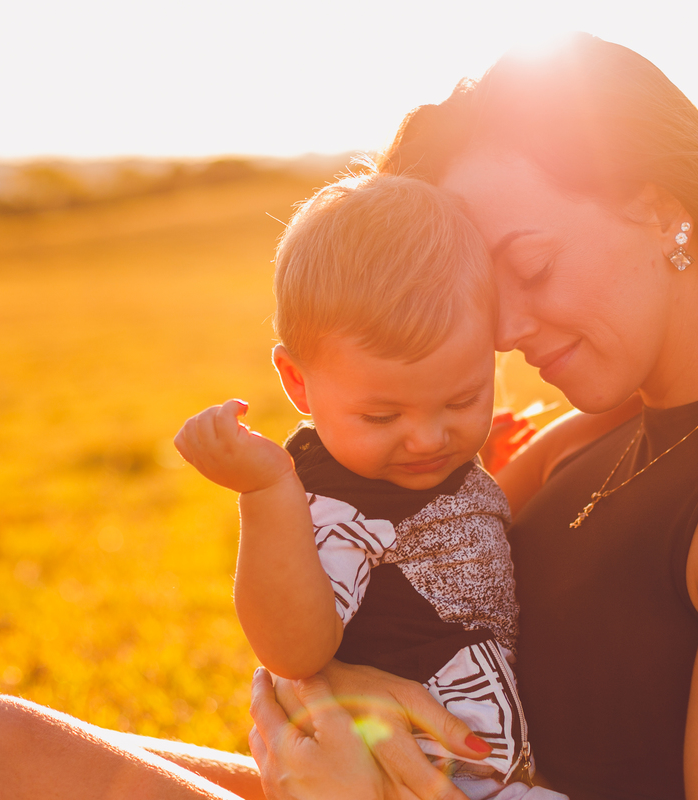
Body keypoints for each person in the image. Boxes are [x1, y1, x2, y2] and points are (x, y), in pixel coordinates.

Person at [0, 34, 698, 800]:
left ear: (659, 207)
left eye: (526, 265)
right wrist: (340, 685)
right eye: (486, 294)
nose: (509, 329)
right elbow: (338, 632)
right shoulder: (581, 439)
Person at [173, 172, 566, 800]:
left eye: (463, 398)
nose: (427, 439)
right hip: (406, 774)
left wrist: (486, 445)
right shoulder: (334, 502)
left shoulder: (425, 465)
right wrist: (267, 491)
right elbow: (295, 651)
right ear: (298, 384)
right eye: (383, 417)